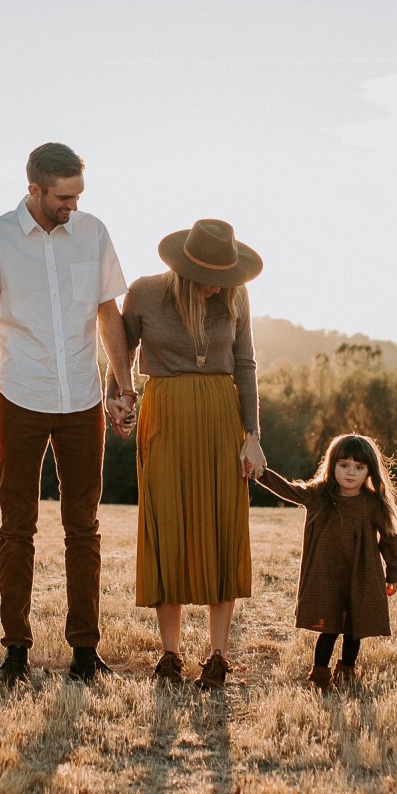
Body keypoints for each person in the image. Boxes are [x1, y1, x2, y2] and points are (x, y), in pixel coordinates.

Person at [0, 143, 135, 686]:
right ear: (33, 189)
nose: (73, 206)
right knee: (17, 529)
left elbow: (109, 315)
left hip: (83, 401)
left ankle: (85, 651)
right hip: (20, 399)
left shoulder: (93, 232)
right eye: (63, 196)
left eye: (79, 194)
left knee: (84, 528)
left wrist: (124, 389)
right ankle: (16, 650)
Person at [112, 218, 266, 688]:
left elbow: (246, 364)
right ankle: (170, 654)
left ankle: (218, 655)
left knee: (223, 526)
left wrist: (253, 434)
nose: (217, 290)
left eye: (225, 281)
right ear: (185, 269)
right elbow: (119, 353)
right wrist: (116, 399)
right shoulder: (143, 293)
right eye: (210, 281)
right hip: (165, 414)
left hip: (221, 419)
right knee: (168, 525)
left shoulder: (235, 296)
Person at [251, 434, 397, 690]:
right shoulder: (320, 494)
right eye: (344, 465)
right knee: (329, 628)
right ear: (332, 465)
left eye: (359, 467)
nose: (351, 473)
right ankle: (320, 675)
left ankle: (346, 671)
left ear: (369, 470)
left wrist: (393, 573)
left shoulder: (373, 503)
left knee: (355, 629)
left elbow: (389, 540)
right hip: (327, 575)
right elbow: (289, 489)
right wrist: (261, 474)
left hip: (361, 574)